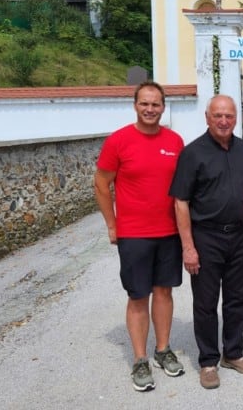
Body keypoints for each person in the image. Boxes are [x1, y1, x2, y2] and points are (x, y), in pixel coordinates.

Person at [94, 81, 185, 392]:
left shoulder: (175, 141)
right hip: (134, 234)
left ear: (163, 107)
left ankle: (163, 350)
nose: (150, 109)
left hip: (169, 232)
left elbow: (184, 189)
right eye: (144, 103)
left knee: (164, 293)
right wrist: (111, 223)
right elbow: (101, 183)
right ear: (135, 105)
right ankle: (140, 359)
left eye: (156, 104)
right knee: (137, 296)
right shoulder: (119, 141)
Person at [169, 95, 243, 389]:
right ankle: (208, 361)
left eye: (230, 116)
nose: (224, 121)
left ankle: (233, 353)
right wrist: (188, 247)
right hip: (206, 237)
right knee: (206, 303)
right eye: (218, 115)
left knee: (237, 298)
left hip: (240, 235)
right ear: (207, 117)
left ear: (237, 119)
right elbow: (181, 202)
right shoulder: (192, 153)